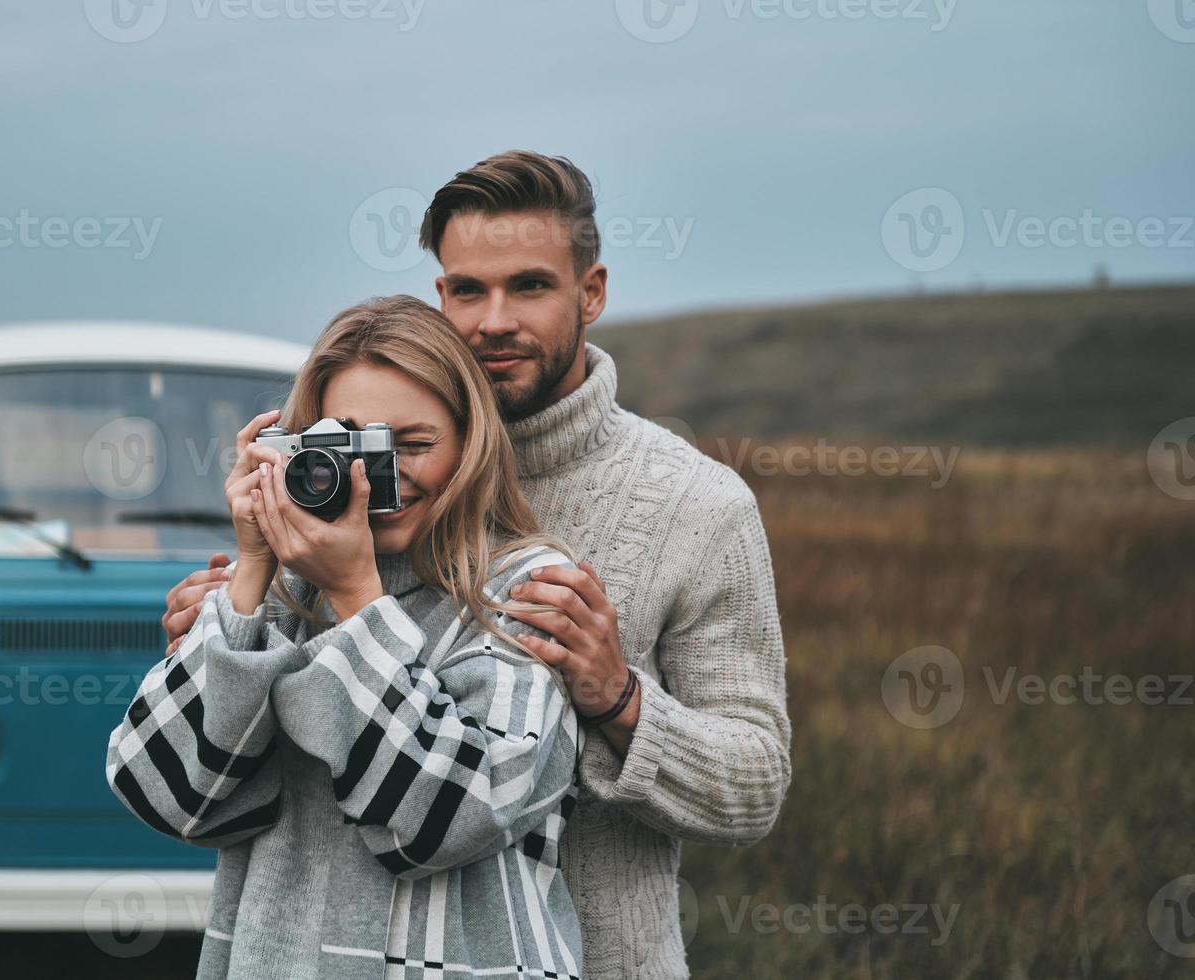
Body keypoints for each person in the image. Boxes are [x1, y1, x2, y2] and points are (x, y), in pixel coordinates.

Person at [162, 151, 793, 979]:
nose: (494, 319)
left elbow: (754, 786)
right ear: (440, 297)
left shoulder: (698, 505)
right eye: (467, 289)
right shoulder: (358, 493)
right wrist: (228, 632)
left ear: (591, 293)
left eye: (529, 286)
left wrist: (618, 699)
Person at [108, 295, 586, 980]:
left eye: (413, 445)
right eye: (350, 446)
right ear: (297, 450)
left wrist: (357, 597)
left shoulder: (523, 591)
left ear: (470, 441)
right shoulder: (279, 592)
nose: (375, 476)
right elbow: (171, 797)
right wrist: (250, 574)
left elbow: (450, 817)